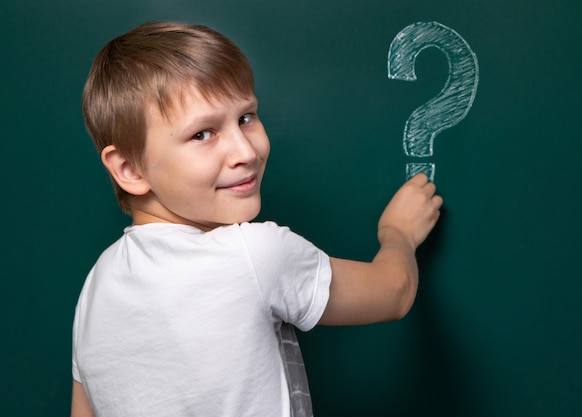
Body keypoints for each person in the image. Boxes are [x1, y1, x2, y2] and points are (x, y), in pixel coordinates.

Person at [71, 21, 442, 417]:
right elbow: (396, 292)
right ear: (129, 168)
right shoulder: (253, 253)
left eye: (246, 117)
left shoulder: (97, 287)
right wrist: (398, 233)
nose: (245, 150)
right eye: (202, 134)